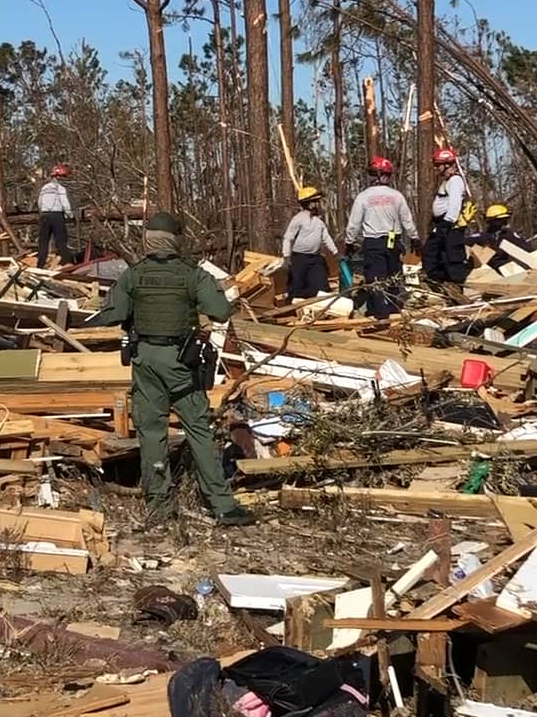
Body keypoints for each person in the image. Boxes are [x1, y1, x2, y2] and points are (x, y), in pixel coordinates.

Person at [93, 213, 255, 528]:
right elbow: (221, 311)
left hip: (146, 360)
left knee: (152, 433)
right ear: (175, 239)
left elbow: (111, 315)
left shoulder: (133, 275)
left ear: (148, 240)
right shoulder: (192, 275)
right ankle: (221, 505)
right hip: (182, 361)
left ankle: (158, 506)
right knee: (198, 429)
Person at [343, 156, 418, 320]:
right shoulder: (397, 196)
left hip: (373, 242)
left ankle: (380, 312)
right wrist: (414, 238)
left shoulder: (363, 197)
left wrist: (349, 242)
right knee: (393, 277)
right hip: (393, 241)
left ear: (373, 175)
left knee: (375, 279)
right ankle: (394, 309)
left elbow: (354, 223)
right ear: (386, 175)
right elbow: (407, 220)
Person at [423, 146, 473, 286]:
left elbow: (454, 203)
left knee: (451, 258)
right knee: (434, 255)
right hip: (444, 225)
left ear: (447, 164)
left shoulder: (455, 181)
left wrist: (447, 223)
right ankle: (441, 283)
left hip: (450, 226)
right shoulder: (448, 181)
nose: (436, 168)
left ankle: (455, 285)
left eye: (438, 165)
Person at [281, 186, 337, 300]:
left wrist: (335, 252)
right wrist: (286, 256)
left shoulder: (319, 221)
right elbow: (288, 238)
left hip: (315, 258)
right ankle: (294, 310)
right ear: (306, 203)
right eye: (314, 202)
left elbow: (326, 238)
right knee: (297, 288)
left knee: (321, 287)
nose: (316, 204)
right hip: (299, 259)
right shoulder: (298, 219)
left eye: (317, 201)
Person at [470, 203, 537, 272]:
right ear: (492, 221)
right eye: (502, 220)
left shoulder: (508, 235)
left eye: (505, 220)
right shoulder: (481, 237)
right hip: (484, 272)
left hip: (505, 270)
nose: (505, 222)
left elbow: (527, 248)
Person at [36, 164, 74, 268]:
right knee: (61, 240)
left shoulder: (44, 188)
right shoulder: (60, 188)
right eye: (63, 177)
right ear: (58, 176)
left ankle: (40, 264)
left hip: (44, 215)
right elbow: (65, 202)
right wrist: (70, 214)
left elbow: (39, 202)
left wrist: (43, 212)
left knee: (43, 241)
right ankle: (67, 262)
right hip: (57, 215)